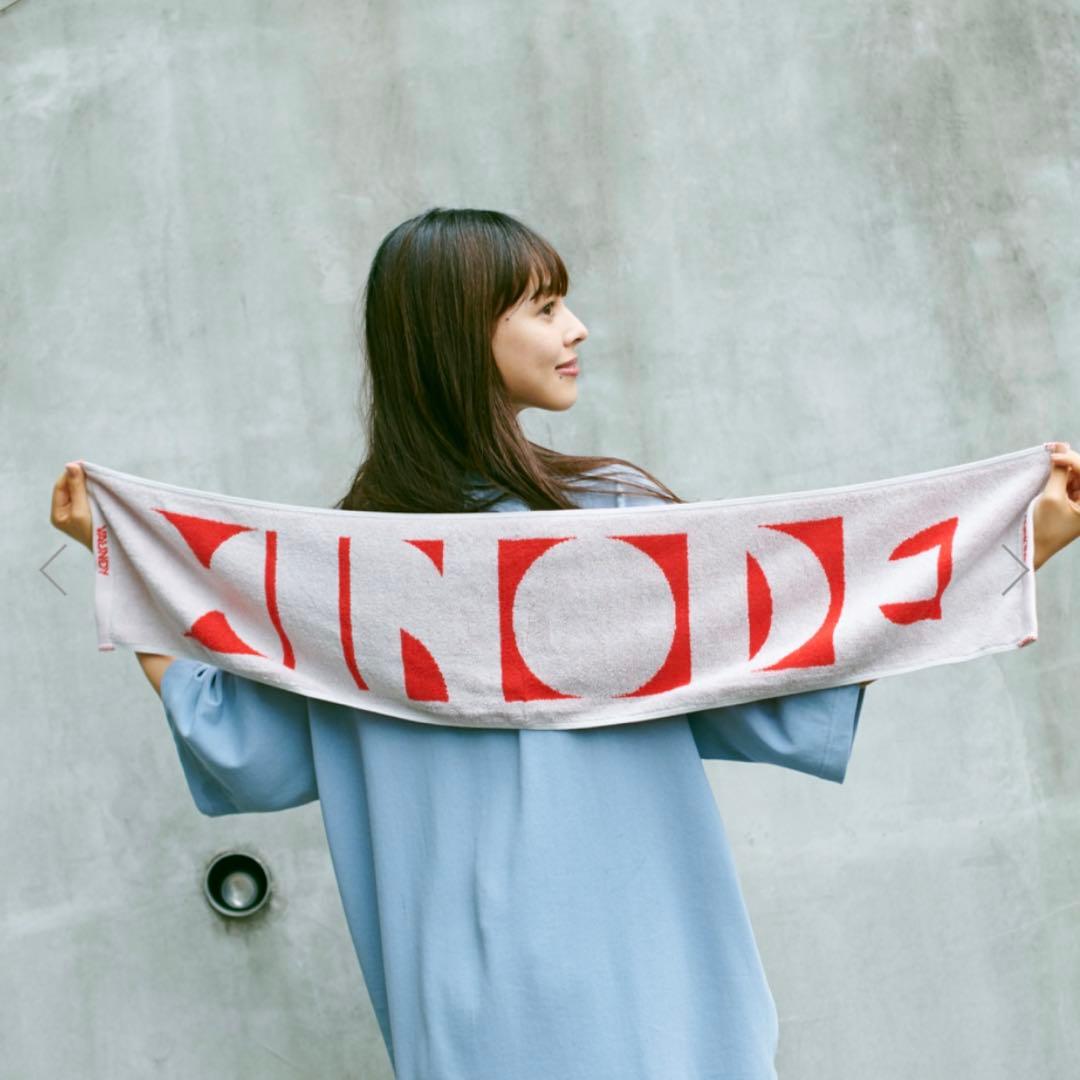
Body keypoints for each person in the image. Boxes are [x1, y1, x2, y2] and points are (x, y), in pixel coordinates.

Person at [50, 208, 1080, 1080]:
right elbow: (795, 662)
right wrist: (1013, 547)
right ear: (461, 336)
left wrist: (131, 570)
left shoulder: (345, 579)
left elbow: (244, 743)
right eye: (543, 307)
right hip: (656, 1000)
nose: (575, 328)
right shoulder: (585, 535)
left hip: (473, 1020)